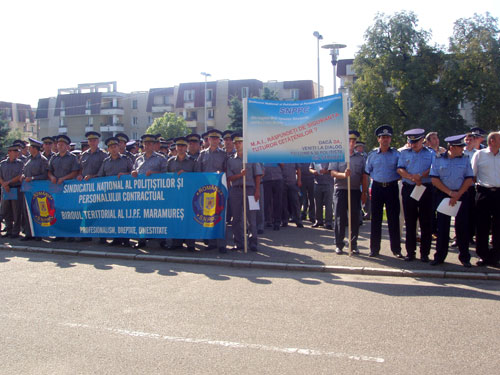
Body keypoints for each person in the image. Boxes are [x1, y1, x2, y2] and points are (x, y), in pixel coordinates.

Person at [429, 134, 474, 267]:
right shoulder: (438, 159)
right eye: (460, 147)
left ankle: (465, 257)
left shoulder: (465, 159)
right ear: (452, 147)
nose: (463, 149)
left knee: (462, 228)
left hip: (461, 196)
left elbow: (469, 178)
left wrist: (458, 194)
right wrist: (449, 193)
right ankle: (439, 256)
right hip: (443, 195)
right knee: (442, 228)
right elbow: (434, 179)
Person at [364, 125, 403, 258]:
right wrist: (365, 190)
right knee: (376, 219)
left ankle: (396, 249)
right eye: (383, 137)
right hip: (377, 188)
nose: (385, 140)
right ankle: (374, 249)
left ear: (390, 139)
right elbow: (367, 172)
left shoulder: (397, 154)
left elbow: (401, 171)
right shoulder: (372, 155)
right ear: (378, 140)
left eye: (387, 137)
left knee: (393, 220)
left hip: (392, 187)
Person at [397, 128, 434, 262]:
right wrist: (411, 177)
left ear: (422, 140)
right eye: (411, 142)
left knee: (426, 222)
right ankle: (410, 252)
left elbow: (433, 168)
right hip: (409, 188)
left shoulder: (430, 153)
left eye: (416, 141)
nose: (414, 144)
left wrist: (420, 176)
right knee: (410, 222)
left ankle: (425, 253)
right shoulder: (404, 153)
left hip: (425, 188)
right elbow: (399, 168)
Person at [329, 130, 368, 254]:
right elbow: (332, 173)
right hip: (340, 190)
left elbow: (364, 176)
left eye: (354, 141)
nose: (351, 143)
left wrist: (364, 192)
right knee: (340, 218)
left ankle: (353, 244)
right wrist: (343, 175)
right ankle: (339, 244)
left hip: (355, 190)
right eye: (349, 141)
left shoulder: (361, 158)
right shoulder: (337, 155)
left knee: (355, 218)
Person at [226, 132, 263, 252]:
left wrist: (257, 191)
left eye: (240, 142)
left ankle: (253, 242)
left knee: (251, 217)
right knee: (236, 218)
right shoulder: (231, 160)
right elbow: (229, 177)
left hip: (250, 190)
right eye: (236, 142)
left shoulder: (252, 157)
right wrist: (239, 175)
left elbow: (258, 175)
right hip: (236, 190)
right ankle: (238, 242)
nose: (237, 144)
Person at [131, 133, 168, 249]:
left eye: (150, 144)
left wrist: (154, 174)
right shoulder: (138, 159)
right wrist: (133, 173)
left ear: (154, 145)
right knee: (141, 217)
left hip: (156, 193)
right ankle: (141, 239)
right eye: (145, 144)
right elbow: (133, 171)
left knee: (157, 217)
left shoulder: (161, 158)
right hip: (141, 193)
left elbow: (166, 174)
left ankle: (161, 240)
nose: (147, 146)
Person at [195, 129, 228, 253]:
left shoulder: (223, 154)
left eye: (216, 138)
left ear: (219, 140)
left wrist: (221, 174)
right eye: (212, 138)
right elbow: (198, 172)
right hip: (206, 190)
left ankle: (222, 244)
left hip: (219, 190)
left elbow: (227, 170)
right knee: (208, 217)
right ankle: (211, 242)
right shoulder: (202, 154)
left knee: (220, 216)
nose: (214, 140)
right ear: (208, 140)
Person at [471, 131, 500, 267]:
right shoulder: (480, 154)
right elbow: (472, 174)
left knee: (498, 226)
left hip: (499, 193)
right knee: (482, 226)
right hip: (484, 192)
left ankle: (496, 255)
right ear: (492, 141)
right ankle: (483, 255)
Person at [163, 136, 197, 251]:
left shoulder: (193, 161)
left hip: (188, 194)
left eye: (183, 146)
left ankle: (190, 243)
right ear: (176, 147)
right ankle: (176, 242)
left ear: (186, 147)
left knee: (188, 218)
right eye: (179, 146)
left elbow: (198, 178)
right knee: (176, 217)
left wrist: (186, 174)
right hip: (175, 195)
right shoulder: (170, 161)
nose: (181, 148)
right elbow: (165, 178)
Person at [20, 138, 49, 241]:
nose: (29, 149)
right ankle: (29, 233)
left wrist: (32, 178)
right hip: (27, 189)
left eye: (31, 147)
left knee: (38, 212)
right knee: (27, 211)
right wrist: (23, 176)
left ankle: (38, 234)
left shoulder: (43, 160)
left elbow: (45, 174)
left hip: (37, 189)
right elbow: (24, 170)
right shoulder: (28, 159)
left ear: (35, 149)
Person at [0, 144, 24, 238]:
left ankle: (16, 231)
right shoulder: (2, 163)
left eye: (17, 152)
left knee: (16, 211)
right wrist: (4, 184)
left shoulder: (20, 163)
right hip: (5, 189)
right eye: (14, 152)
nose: (16, 154)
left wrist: (8, 183)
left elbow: (20, 176)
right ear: (9, 152)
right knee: (6, 211)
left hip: (15, 188)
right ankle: (8, 230)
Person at [281, 163, 304, 228]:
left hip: (292, 183)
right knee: (284, 203)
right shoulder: (280, 156)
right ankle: (284, 221)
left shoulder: (293, 156)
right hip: (282, 183)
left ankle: (298, 220)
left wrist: (299, 180)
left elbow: (298, 169)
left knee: (295, 202)